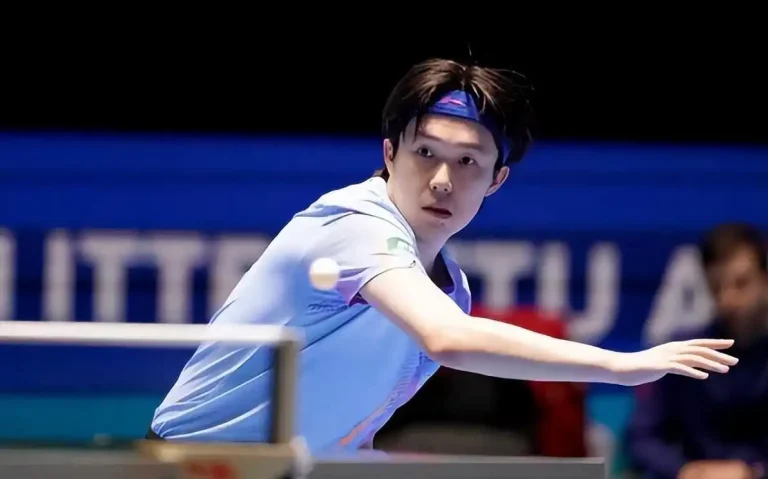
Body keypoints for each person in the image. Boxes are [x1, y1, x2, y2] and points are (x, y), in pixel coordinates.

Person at [148, 58, 737, 454]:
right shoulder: (354, 224)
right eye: (425, 152)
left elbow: (350, 425)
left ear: (497, 180)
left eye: (467, 162)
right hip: (194, 464)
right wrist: (621, 365)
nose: (441, 180)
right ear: (389, 153)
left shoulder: (449, 288)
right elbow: (448, 340)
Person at [626, 223, 768, 479]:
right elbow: (642, 438)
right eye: (716, 287)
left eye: (741, 283)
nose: (727, 299)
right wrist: (684, 470)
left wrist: (754, 472)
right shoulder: (684, 353)